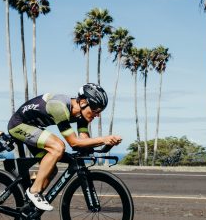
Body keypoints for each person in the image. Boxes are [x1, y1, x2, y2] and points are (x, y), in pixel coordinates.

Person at [7, 83, 122, 211]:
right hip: (18, 125)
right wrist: (103, 139)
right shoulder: (59, 107)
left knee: (52, 170)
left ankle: (28, 208)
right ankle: (34, 192)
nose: (98, 115)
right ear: (83, 102)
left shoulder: (81, 116)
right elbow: (73, 142)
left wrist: (106, 143)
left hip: (33, 128)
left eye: (100, 111)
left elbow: (84, 141)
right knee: (58, 147)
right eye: (96, 110)